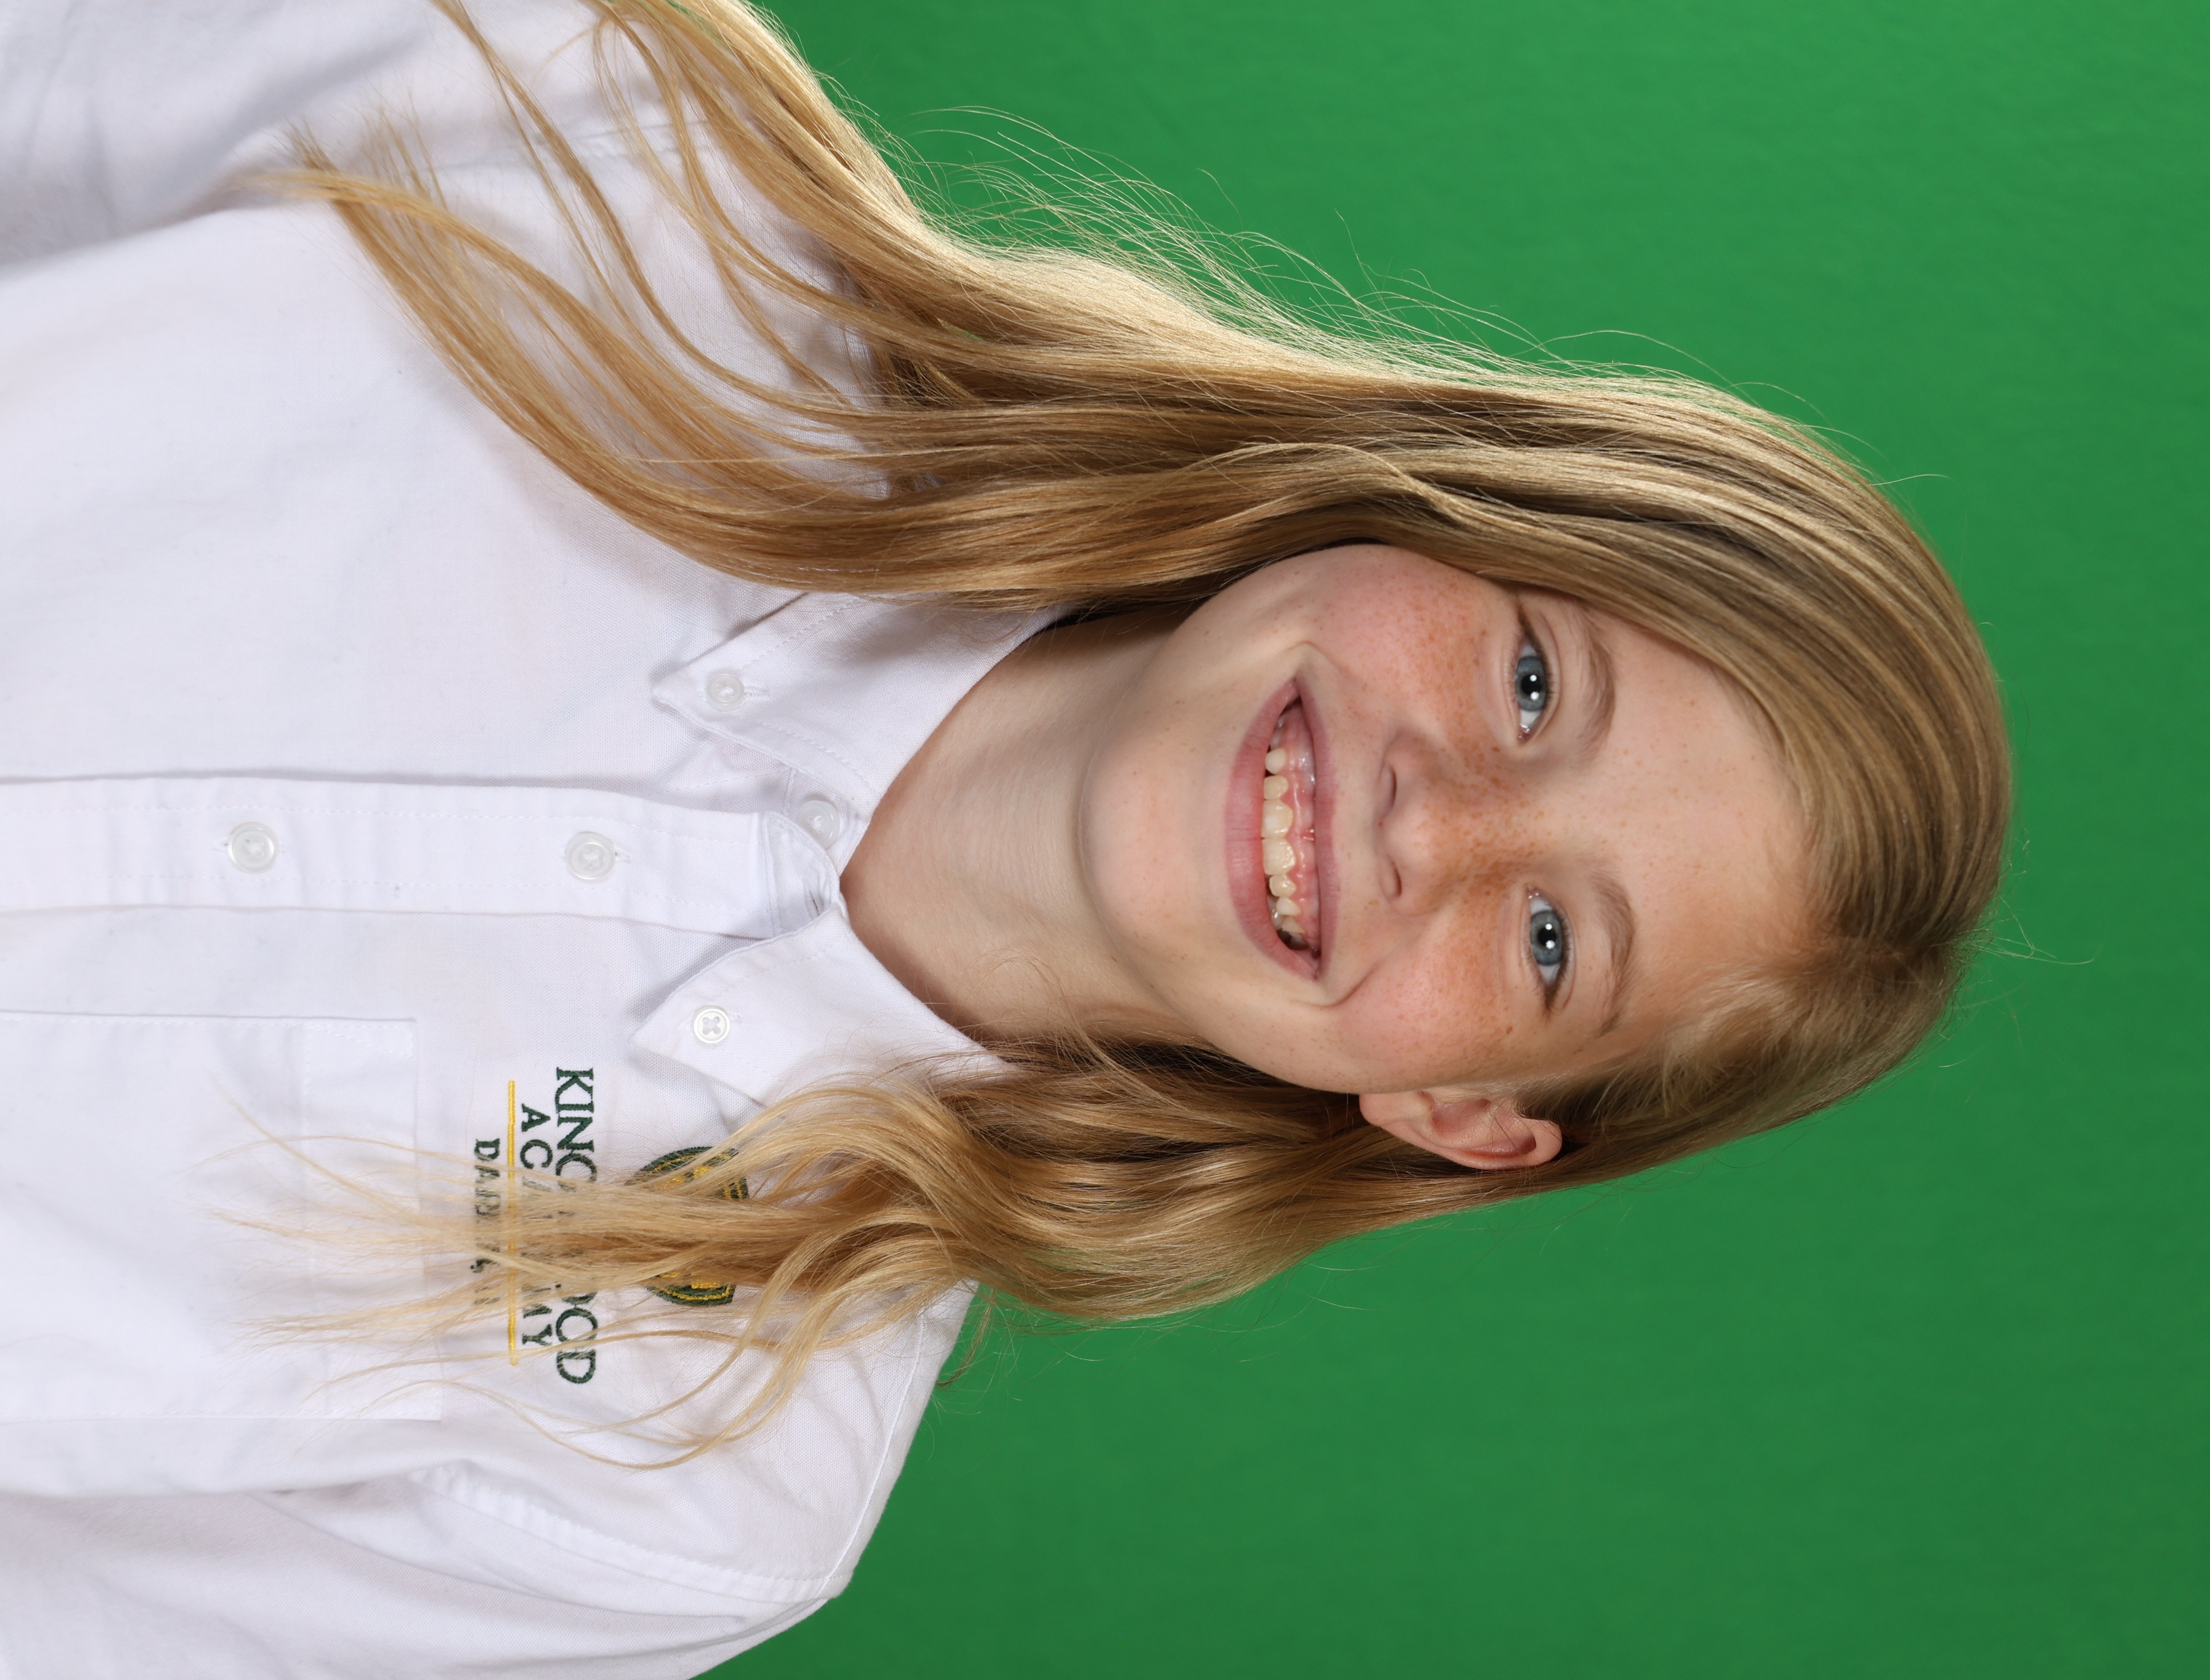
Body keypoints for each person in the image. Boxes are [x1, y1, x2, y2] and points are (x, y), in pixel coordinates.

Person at [0, 1, 2009, 1674]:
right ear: (1444, 501)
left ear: (1464, 1112)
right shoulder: (606, 141)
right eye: (1538, 683)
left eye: (1554, 942)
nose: (1439, 819)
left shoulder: (688, 1490)